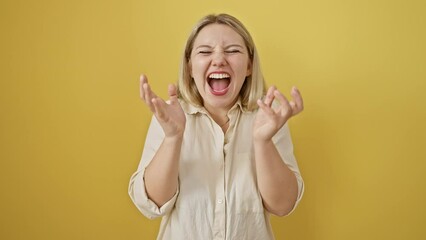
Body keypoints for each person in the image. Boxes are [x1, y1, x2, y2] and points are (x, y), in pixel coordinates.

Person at [129, 13, 304, 240]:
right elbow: (152, 203)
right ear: (190, 67)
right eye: (204, 51)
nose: (219, 60)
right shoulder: (168, 118)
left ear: (249, 66)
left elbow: (283, 205)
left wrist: (263, 142)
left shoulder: (269, 118)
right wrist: (173, 138)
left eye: (232, 51)